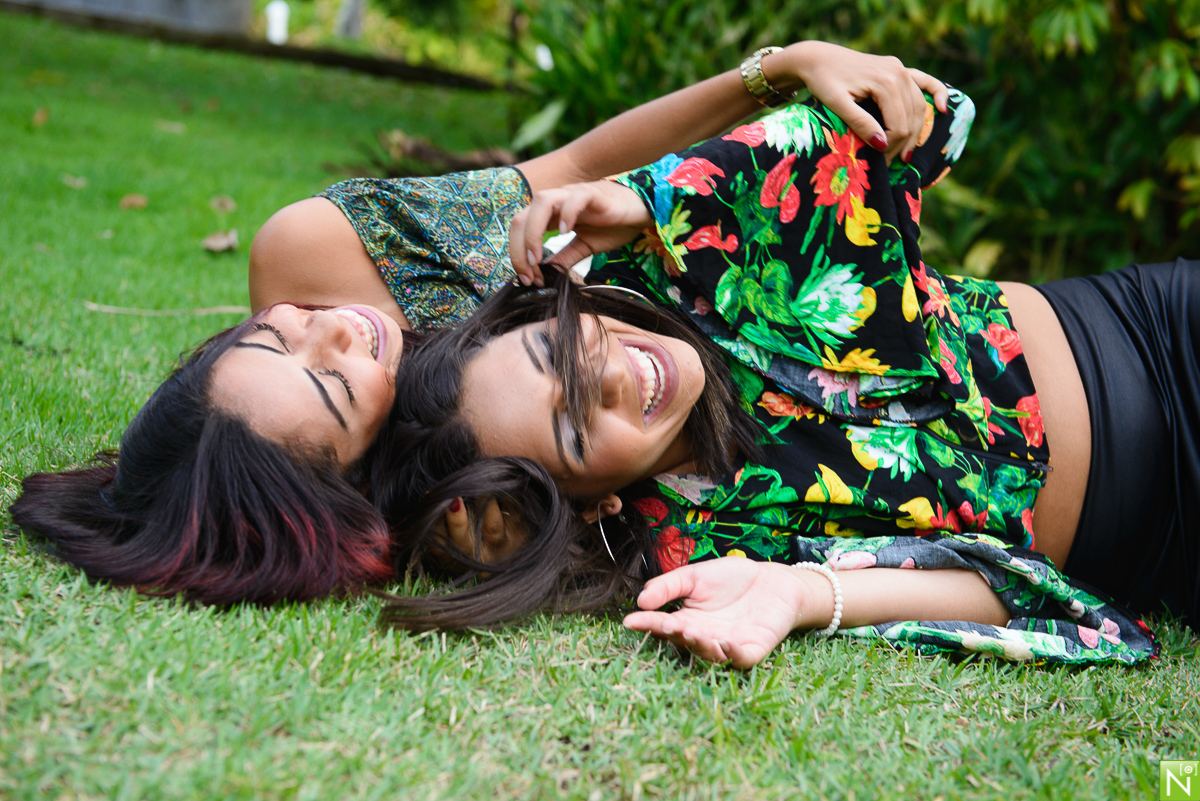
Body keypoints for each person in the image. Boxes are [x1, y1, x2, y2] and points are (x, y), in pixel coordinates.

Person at [11, 43, 945, 605]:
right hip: (765, 424)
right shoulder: (454, 507)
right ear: (347, 484)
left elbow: (571, 159)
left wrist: (776, 71)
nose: (335, 332)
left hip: (773, 285)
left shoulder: (320, 259)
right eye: (333, 383)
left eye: (276, 331)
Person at [370, 80, 1188, 667]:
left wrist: (651, 196)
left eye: (559, 349)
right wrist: (802, 594)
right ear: (594, 505)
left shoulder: (681, 265)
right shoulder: (694, 553)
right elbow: (1019, 591)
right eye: (577, 423)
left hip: (1156, 331)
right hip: (1168, 544)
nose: (611, 373)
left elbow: (917, 120)